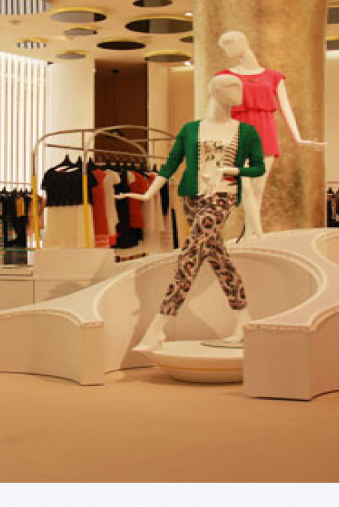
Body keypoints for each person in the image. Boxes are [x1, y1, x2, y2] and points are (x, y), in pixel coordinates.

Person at [117, 74, 265, 351]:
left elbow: (258, 167)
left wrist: (230, 169)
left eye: (240, 85)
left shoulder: (246, 132)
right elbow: (172, 163)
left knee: (190, 254)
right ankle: (243, 318)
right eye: (232, 85)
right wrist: (148, 193)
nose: (240, 89)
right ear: (215, 90)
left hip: (223, 196)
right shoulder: (190, 129)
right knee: (218, 258)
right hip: (191, 197)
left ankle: (157, 327)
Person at [215, 30, 324, 241]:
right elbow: (219, 110)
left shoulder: (274, 77)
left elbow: (285, 108)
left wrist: (299, 138)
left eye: (228, 46)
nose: (227, 52)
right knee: (245, 187)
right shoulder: (225, 76)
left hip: (265, 131)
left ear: (241, 43)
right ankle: (258, 235)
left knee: (258, 189)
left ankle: (248, 235)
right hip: (238, 132)